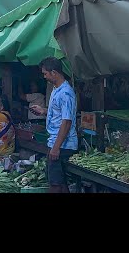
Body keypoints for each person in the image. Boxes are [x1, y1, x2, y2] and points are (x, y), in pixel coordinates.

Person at [30, 57, 78, 194]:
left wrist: (56, 148)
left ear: (54, 72)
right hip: (56, 142)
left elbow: (67, 121)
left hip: (63, 145)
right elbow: (60, 115)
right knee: (61, 183)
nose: (44, 76)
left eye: (45, 73)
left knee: (55, 184)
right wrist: (43, 111)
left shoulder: (66, 93)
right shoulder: (56, 89)